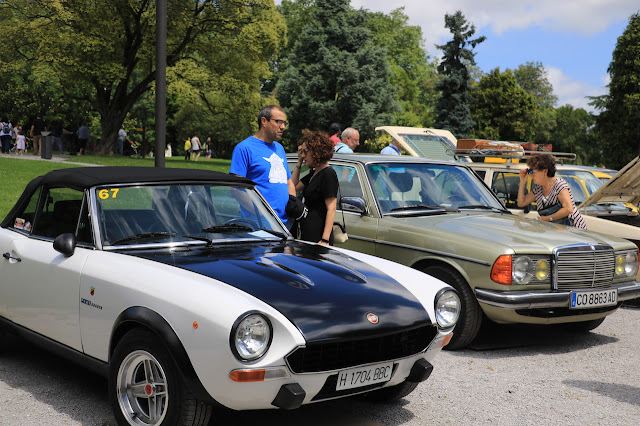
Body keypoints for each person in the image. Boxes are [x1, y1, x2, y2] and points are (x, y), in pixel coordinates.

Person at [230, 105, 295, 228]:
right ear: (264, 121)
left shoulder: (279, 148)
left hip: (285, 223)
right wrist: (263, 215)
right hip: (259, 224)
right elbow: (236, 189)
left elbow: (288, 181)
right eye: (278, 122)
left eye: (284, 123)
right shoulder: (244, 148)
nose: (283, 127)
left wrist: (293, 206)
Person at [291, 131, 338, 245]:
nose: (303, 155)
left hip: (319, 235)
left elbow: (331, 208)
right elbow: (293, 186)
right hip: (308, 233)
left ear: (316, 152)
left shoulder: (328, 174)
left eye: (306, 152)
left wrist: (324, 239)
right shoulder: (314, 173)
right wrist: (299, 161)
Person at [517, 154, 587, 229]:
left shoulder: (560, 185)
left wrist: (547, 219)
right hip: (557, 232)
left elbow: (568, 209)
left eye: (532, 172)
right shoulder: (539, 189)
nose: (530, 175)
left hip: (574, 231)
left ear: (545, 171)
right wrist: (522, 182)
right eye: (529, 172)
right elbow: (521, 203)